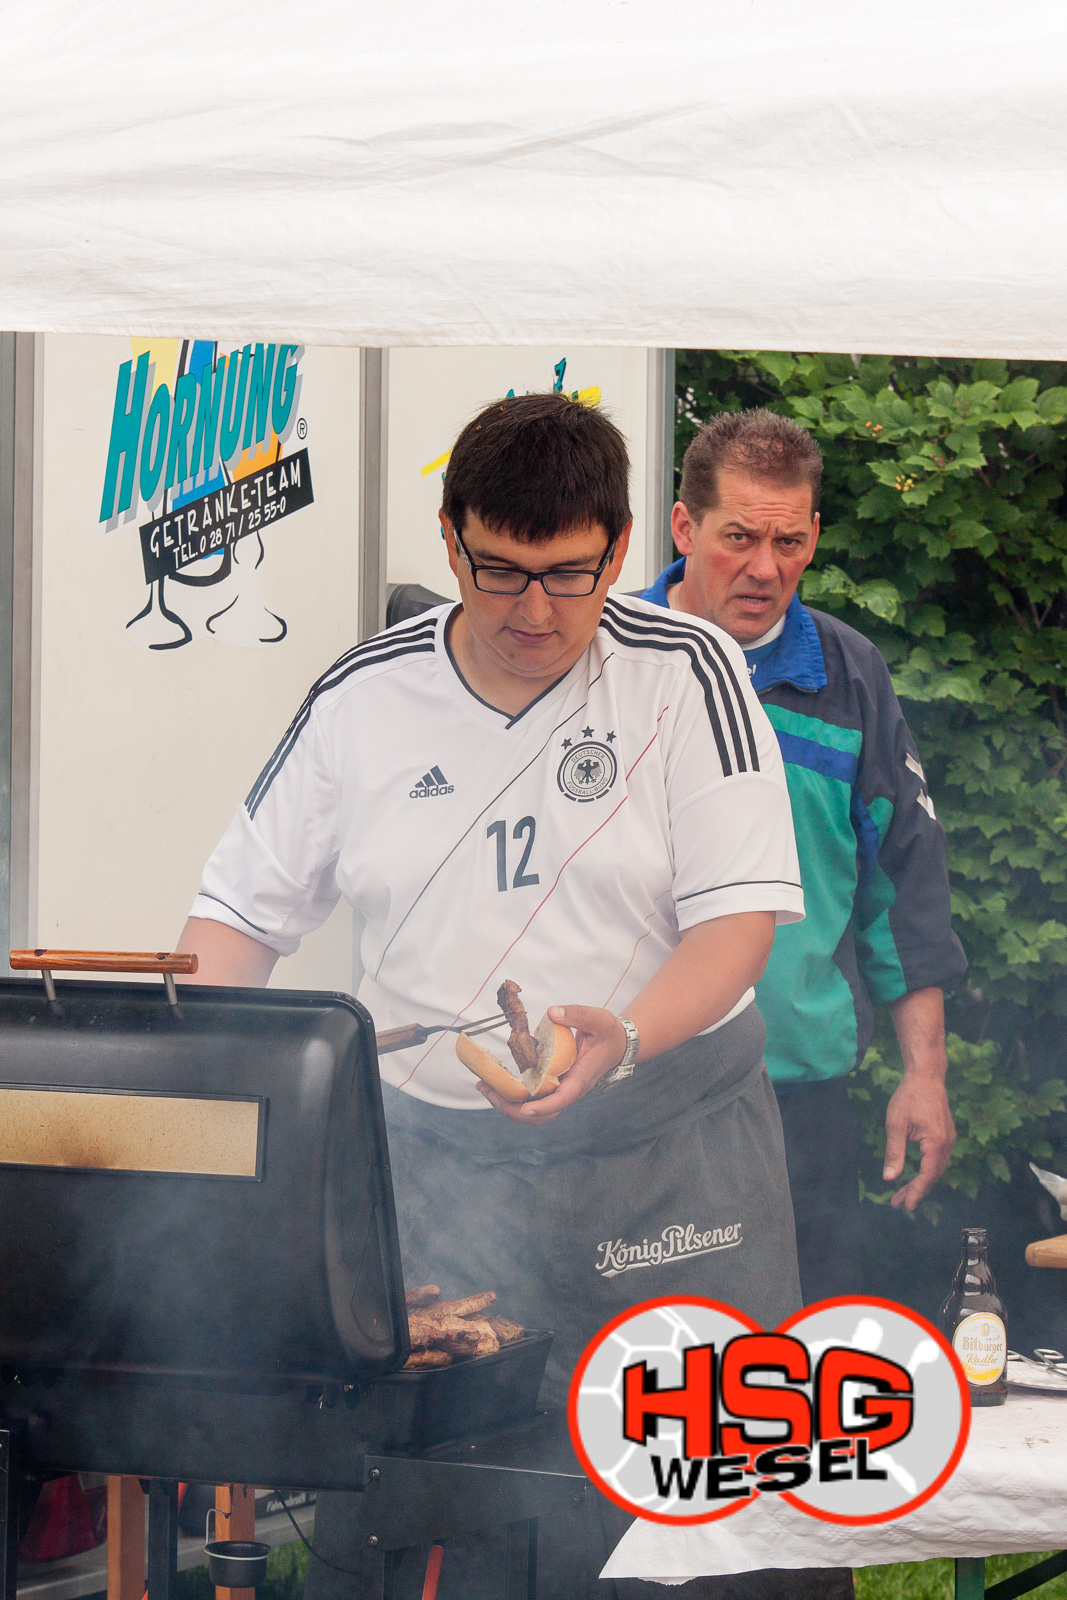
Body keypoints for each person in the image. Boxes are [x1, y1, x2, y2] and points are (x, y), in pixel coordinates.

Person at [174, 394, 848, 1599]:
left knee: (710, 1509)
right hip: (434, 1169)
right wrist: (199, 1123)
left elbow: (738, 922)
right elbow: (235, 920)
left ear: (621, 545)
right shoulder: (363, 697)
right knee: (429, 1519)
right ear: (449, 541)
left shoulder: (686, 672)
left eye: (568, 575)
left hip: (672, 1156)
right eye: (498, 572)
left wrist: (625, 1032)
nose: (533, 612)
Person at [642, 408, 967, 1304]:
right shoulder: (610, 655)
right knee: (639, 1357)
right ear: (684, 526)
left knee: (797, 1354)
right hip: (634, 1092)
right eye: (738, 537)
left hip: (799, 1101)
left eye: (787, 542)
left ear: (813, 536)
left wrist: (924, 1074)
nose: (764, 568)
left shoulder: (848, 673)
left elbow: (902, 884)